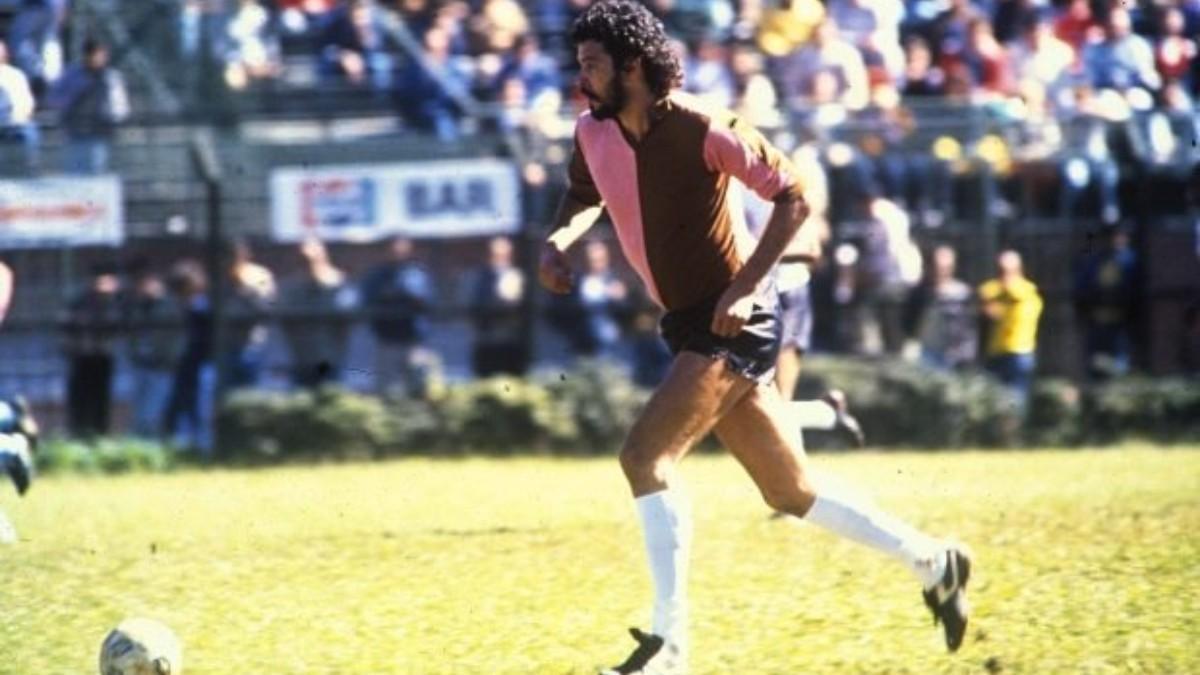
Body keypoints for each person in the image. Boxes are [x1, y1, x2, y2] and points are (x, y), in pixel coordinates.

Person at [539, 4, 972, 672]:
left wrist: (745, 286)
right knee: (790, 491)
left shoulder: (705, 125)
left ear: (633, 65)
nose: (581, 76)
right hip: (688, 320)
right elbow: (581, 194)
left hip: (736, 319)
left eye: (593, 63)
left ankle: (670, 648)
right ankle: (935, 561)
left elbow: (793, 196)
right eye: (580, 63)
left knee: (644, 458)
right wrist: (559, 242)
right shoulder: (591, 133)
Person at [359, 236, 438, 398]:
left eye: (402, 249)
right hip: (387, 340)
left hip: (414, 340)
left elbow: (428, 301)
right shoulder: (377, 275)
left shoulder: (417, 274)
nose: (397, 253)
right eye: (393, 250)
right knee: (387, 391)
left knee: (419, 388)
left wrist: (407, 294)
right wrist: (386, 295)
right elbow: (367, 300)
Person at [279, 238, 355, 389]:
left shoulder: (339, 282)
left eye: (313, 259)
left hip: (329, 355)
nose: (309, 264)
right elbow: (285, 317)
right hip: (302, 356)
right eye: (305, 260)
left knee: (329, 396)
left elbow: (348, 315)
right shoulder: (291, 286)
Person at [47, 39, 130, 174]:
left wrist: (110, 118)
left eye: (99, 55)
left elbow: (120, 107)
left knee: (97, 172)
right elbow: (53, 98)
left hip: (100, 133)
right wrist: (72, 98)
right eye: (92, 55)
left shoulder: (111, 77)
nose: (96, 59)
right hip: (74, 132)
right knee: (74, 174)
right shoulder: (72, 75)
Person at [60, 263, 122, 437]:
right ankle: (79, 433)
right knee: (80, 399)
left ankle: (100, 434)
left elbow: (120, 326)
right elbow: (66, 329)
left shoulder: (116, 303)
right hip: (81, 357)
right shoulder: (79, 302)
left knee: (101, 400)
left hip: (103, 357)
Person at [1072, 224, 1140, 381]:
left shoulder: (1130, 261)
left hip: (1121, 325)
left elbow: (1134, 293)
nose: (1116, 240)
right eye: (1112, 236)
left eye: (1120, 236)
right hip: (1097, 324)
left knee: (1119, 369)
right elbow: (1082, 290)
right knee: (1095, 369)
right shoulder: (1092, 262)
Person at [979, 249, 1043, 409]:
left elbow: (1013, 298)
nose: (1004, 275)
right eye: (1001, 270)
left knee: (1016, 400)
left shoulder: (1029, 292)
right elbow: (985, 294)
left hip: (1019, 353)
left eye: (1008, 271)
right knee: (994, 401)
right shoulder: (993, 290)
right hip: (996, 351)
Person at [124, 266, 181, 439]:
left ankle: (154, 445)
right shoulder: (136, 306)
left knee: (154, 411)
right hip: (141, 364)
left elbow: (175, 338)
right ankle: (138, 446)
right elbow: (131, 335)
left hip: (162, 366)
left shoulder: (169, 305)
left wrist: (168, 358)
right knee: (139, 411)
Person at [903, 245, 977, 370]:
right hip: (925, 352)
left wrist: (966, 354)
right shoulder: (920, 292)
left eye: (945, 268)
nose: (940, 271)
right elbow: (909, 321)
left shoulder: (961, 293)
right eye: (937, 267)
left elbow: (969, 329)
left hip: (953, 354)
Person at [467, 236, 529, 377]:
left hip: (512, 340)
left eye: (504, 255)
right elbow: (474, 305)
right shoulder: (479, 277)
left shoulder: (518, 276)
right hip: (487, 340)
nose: (500, 259)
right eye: (495, 255)